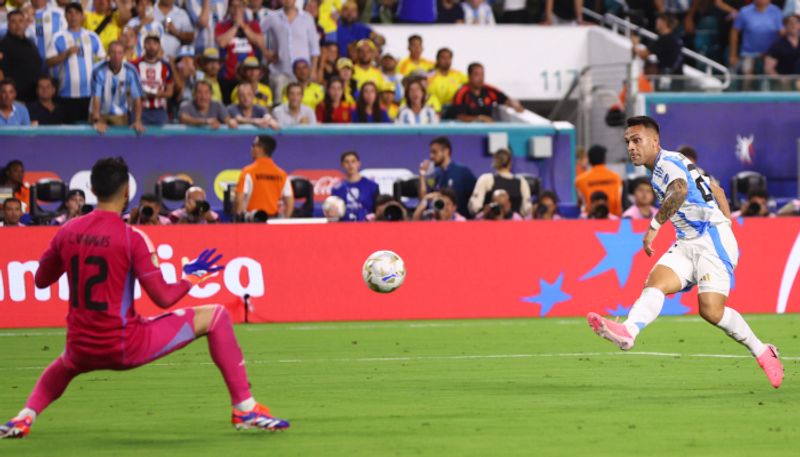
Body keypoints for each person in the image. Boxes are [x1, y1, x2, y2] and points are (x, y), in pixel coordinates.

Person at [0, 156, 289, 439]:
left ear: (92, 188)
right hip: (126, 344)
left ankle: (25, 416)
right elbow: (163, 297)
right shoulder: (131, 238)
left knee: (65, 365)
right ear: (127, 191)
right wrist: (190, 278)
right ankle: (245, 408)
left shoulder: (67, 231)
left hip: (81, 344)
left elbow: (40, 281)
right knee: (216, 316)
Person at [586, 116, 783, 389]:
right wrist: (726, 220)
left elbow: (679, 190)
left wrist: (655, 227)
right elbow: (718, 190)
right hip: (688, 240)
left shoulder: (666, 163)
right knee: (655, 283)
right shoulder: (668, 164)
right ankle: (628, 332)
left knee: (711, 312)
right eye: (628, 141)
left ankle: (763, 351)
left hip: (712, 240)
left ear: (655, 141)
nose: (631, 147)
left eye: (637, 140)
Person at [46, 3, 106, 124]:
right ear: (65, 16)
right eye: (70, 13)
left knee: (89, 130)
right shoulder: (58, 37)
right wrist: (65, 54)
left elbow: (103, 61)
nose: (73, 16)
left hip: (90, 94)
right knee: (69, 132)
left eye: (77, 13)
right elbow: (49, 62)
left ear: (82, 16)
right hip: (66, 94)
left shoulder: (92, 36)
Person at [261, 0, 321, 99]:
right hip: (280, 72)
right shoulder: (273, 17)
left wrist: (314, 70)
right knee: (279, 106)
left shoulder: (307, 18)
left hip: (303, 75)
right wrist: (265, 51)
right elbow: (258, 31)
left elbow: (314, 48)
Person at [215, 0, 266, 101]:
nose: (235, 10)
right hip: (228, 77)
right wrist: (236, 26)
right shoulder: (221, 26)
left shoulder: (253, 25)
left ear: (244, 8)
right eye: (232, 7)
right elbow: (222, 43)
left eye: (238, 7)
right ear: (228, 9)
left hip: (250, 79)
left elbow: (260, 43)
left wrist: (243, 26)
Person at [90, 41, 145, 135]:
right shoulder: (98, 70)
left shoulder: (131, 71)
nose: (116, 56)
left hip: (120, 115)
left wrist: (137, 121)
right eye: (113, 52)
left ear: (123, 54)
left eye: (119, 53)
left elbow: (137, 98)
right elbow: (96, 98)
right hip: (100, 114)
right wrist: (97, 121)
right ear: (108, 54)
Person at [235, 135, 294, 219]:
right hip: (273, 222)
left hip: (252, 220)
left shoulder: (248, 172)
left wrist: (239, 221)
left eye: (253, 145)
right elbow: (289, 201)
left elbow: (239, 199)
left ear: (260, 148)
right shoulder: (282, 174)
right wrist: (284, 221)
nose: (251, 149)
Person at [419, 136, 477, 218]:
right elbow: (425, 198)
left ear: (446, 151)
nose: (431, 156)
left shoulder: (463, 172)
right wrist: (422, 175)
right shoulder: (434, 175)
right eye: (430, 152)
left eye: (434, 152)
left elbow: (475, 199)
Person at [730, 0, 783, 89]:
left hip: (769, 55)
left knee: (768, 83)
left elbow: (781, 32)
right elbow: (734, 32)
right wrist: (732, 54)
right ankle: (745, 100)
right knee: (747, 81)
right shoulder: (744, 11)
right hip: (748, 54)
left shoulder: (776, 11)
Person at [469, 148, 531, 217]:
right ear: (510, 163)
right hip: (513, 224)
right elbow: (526, 209)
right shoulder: (522, 182)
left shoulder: (485, 179)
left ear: (494, 161)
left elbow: (474, 207)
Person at [451, 62, 523, 122]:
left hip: (487, 128)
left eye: (482, 74)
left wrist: (515, 104)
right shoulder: (462, 93)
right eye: (477, 75)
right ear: (469, 76)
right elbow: (459, 117)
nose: (481, 78)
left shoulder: (489, 90)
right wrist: (480, 118)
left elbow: (506, 99)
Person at [631, 13, 684, 89]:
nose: (656, 21)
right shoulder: (674, 38)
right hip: (678, 79)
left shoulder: (664, 39)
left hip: (669, 81)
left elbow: (643, 54)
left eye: (659, 19)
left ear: (664, 22)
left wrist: (635, 44)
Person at [0, 10, 42, 103]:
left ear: (25, 23)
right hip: (16, 100)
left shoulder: (30, 43)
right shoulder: (4, 45)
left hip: (34, 98)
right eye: (13, 21)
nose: (17, 25)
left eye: (20, 21)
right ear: (8, 25)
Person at [132, 34, 174, 126]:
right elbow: (128, 88)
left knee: (162, 139)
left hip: (159, 111)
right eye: (148, 43)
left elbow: (170, 92)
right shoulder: (134, 66)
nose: (151, 46)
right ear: (144, 45)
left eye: (155, 43)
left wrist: (158, 94)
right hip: (139, 110)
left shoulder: (166, 66)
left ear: (159, 46)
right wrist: (140, 94)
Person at [574, 145, 623, 218]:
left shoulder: (579, 180)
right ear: (604, 159)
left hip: (590, 220)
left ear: (589, 160)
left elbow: (581, 202)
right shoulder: (617, 178)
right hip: (615, 219)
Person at [330, 150, 379, 222]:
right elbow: (334, 214)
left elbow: (377, 210)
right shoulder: (337, 189)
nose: (350, 165)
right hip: (344, 227)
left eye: (353, 161)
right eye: (347, 162)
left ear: (359, 163)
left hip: (367, 227)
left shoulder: (372, 186)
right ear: (342, 165)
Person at [28, 0, 67, 71]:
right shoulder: (22, 14)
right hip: (31, 67)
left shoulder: (59, 13)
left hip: (57, 66)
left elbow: (67, 35)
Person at [765, 15, 800, 90]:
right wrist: (780, 79)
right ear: (785, 26)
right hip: (784, 85)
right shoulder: (777, 45)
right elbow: (768, 68)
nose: (793, 25)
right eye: (790, 23)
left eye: (796, 22)